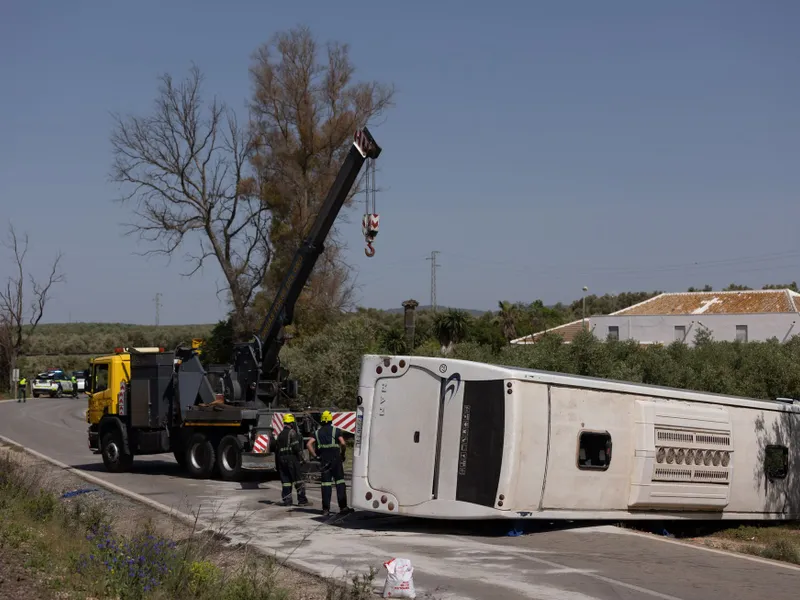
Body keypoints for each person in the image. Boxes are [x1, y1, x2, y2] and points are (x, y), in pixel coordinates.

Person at [307, 410, 353, 517]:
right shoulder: (335, 431)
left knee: (326, 484)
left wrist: (315, 456)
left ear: (322, 420)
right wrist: (343, 453)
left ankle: (326, 509)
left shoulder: (317, 432)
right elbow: (343, 443)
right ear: (331, 419)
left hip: (324, 460)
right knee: (340, 483)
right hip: (336, 460)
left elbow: (309, 444)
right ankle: (343, 507)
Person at [275, 413, 309, 507]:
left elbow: (277, 450)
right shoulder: (292, 432)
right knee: (298, 480)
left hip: (281, 459)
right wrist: (303, 459)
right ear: (291, 422)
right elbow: (296, 448)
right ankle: (302, 501)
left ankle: (287, 501)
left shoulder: (280, 435)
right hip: (291, 459)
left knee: (286, 481)